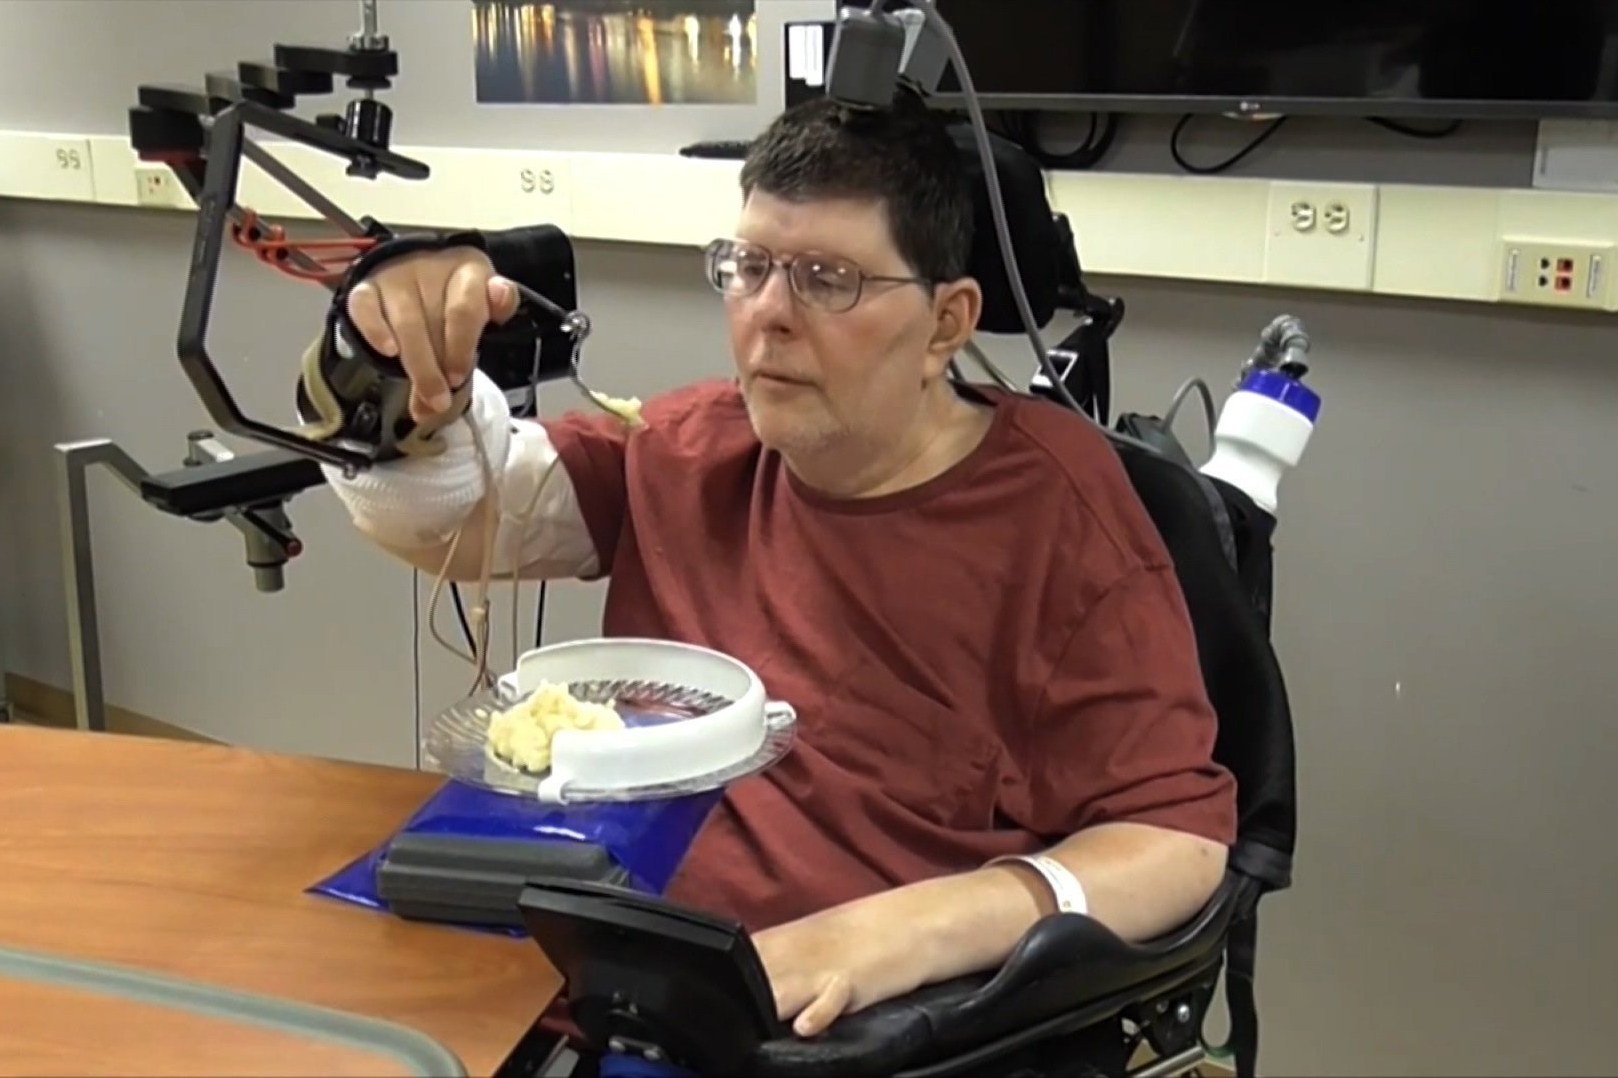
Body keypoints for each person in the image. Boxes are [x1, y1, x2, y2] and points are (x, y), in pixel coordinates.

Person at [321, 94, 1236, 1040]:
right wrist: (379, 357)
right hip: (605, 978)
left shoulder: (1057, 518)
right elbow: (448, 511)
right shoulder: (693, 449)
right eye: (748, 267)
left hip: (836, 1036)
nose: (767, 315)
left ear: (946, 324)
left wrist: (898, 933)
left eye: (827, 279)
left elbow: (1178, 841)